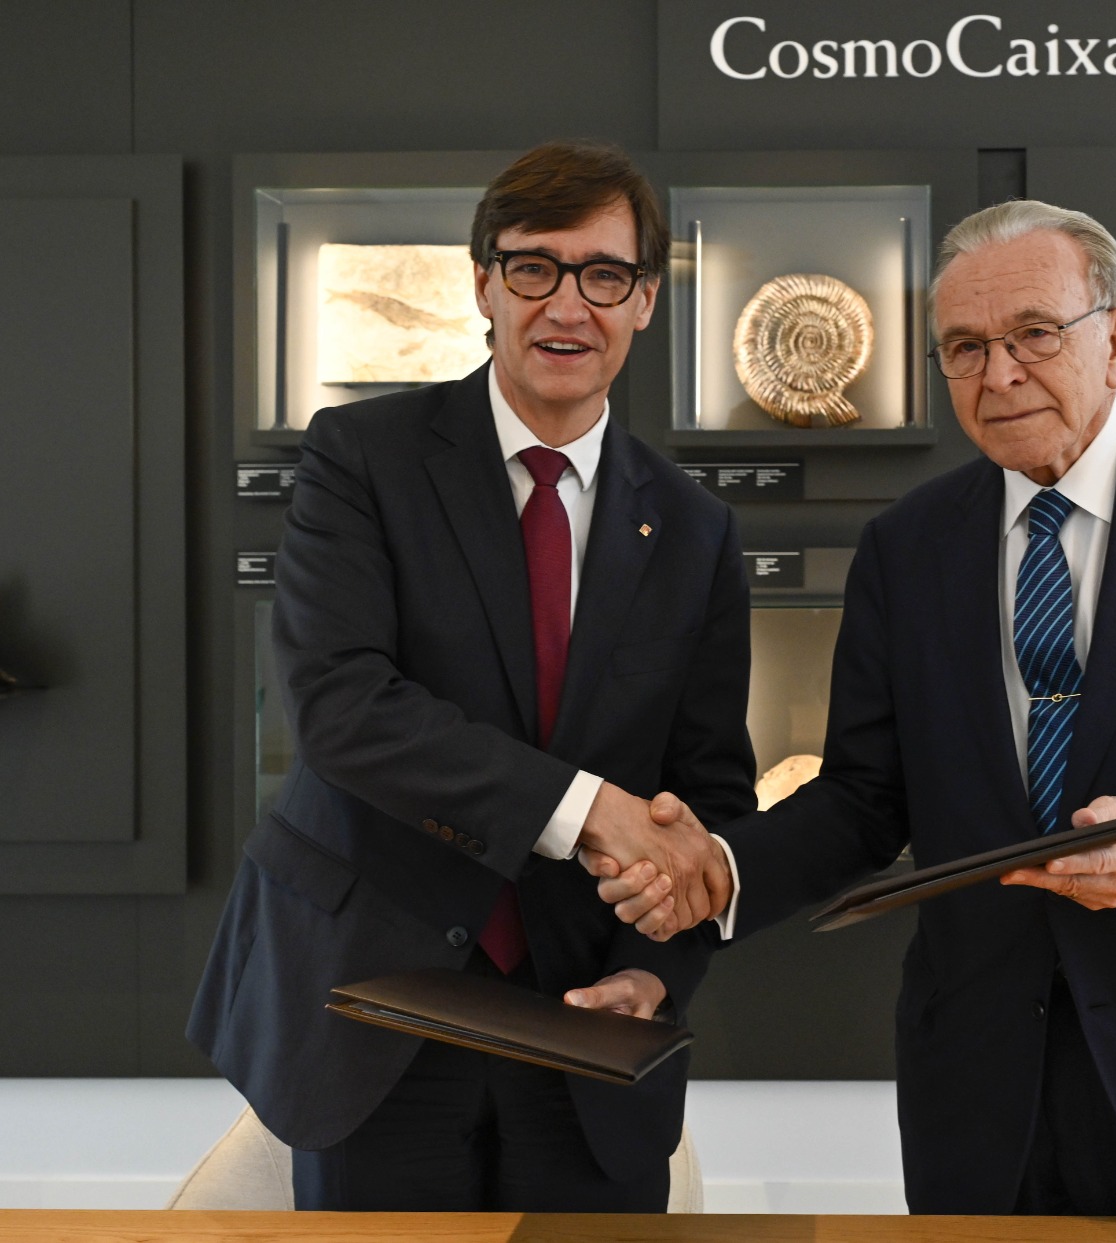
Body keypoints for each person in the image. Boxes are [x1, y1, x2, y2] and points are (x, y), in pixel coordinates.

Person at [595, 200, 1116, 1221]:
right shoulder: (908, 545)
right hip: (980, 1079)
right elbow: (865, 800)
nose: (998, 373)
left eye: (1033, 335)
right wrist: (724, 870)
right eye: (964, 347)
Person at [188, 140, 749, 1213]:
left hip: (587, 1022)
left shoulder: (693, 528)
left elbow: (706, 786)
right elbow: (343, 710)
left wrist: (654, 967)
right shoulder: (362, 456)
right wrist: (586, 810)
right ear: (482, 281)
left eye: (604, 274)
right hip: (376, 1006)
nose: (566, 305)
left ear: (643, 302)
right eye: (533, 267)